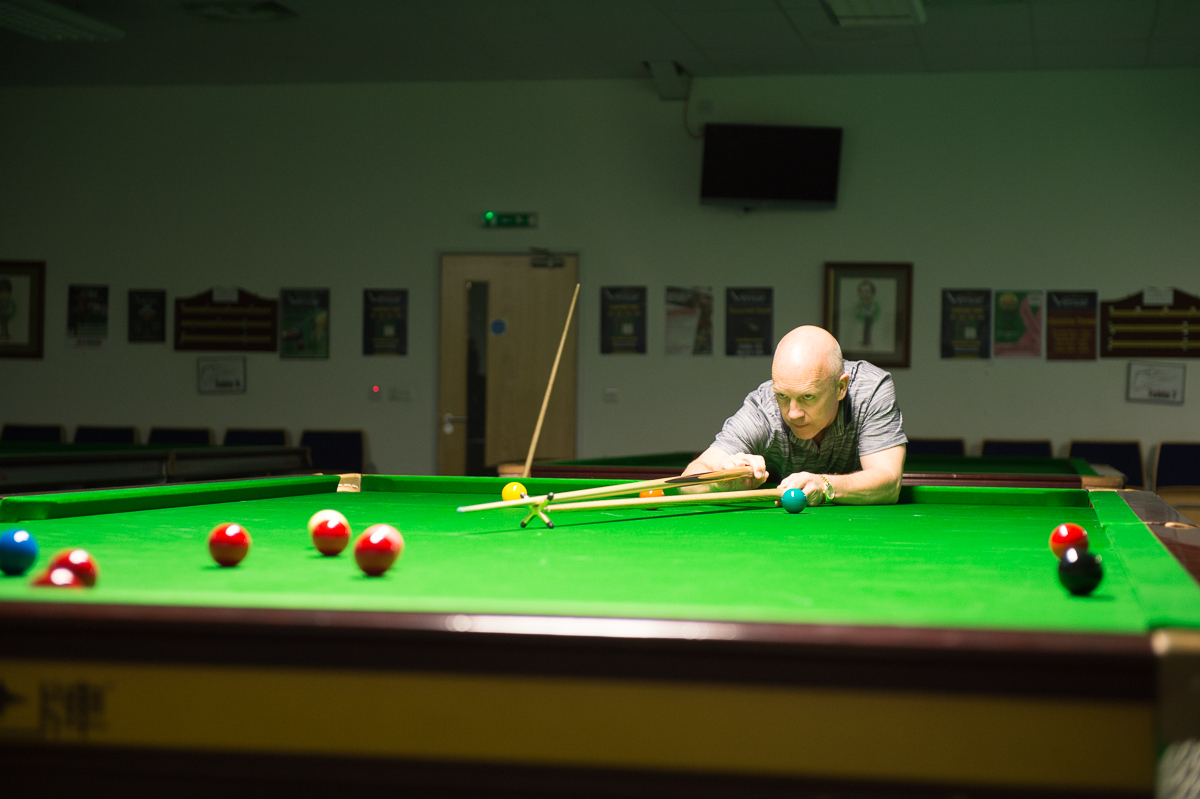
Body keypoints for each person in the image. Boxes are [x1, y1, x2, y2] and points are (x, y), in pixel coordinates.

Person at [683, 326, 906, 506]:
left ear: (840, 387)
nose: (793, 413)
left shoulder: (870, 391)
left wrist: (824, 484)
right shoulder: (763, 410)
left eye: (808, 397)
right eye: (783, 396)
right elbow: (688, 481)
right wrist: (718, 481)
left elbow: (889, 483)